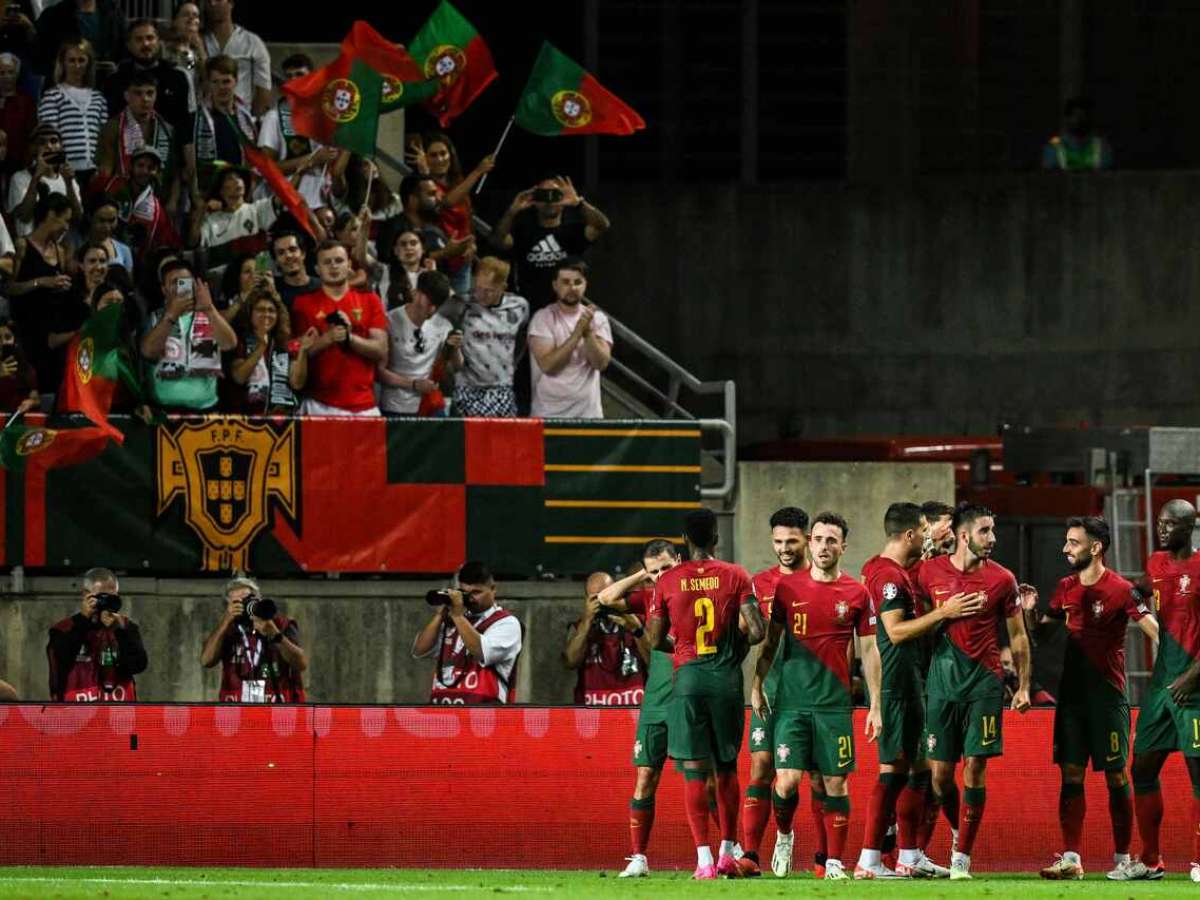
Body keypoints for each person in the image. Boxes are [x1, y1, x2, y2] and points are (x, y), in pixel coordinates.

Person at [1019, 516, 1157, 880]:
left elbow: (1152, 629)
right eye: (1066, 541)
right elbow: (1043, 636)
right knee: (1071, 774)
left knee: (1115, 775)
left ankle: (1123, 858)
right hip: (1073, 699)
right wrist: (1030, 613)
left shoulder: (1123, 589)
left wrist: (1182, 659)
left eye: (1073, 542)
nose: (1065, 549)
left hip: (1108, 698)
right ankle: (1071, 858)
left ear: (1095, 548)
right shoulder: (1064, 587)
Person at [854, 502, 980, 879]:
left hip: (911, 683)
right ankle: (869, 860)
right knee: (891, 772)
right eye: (924, 529)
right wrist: (944, 613)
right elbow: (893, 631)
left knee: (919, 770)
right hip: (896, 685)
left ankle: (910, 855)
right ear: (909, 534)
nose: (927, 537)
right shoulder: (887, 576)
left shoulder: (891, 571)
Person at [752, 512, 881, 881]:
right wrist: (757, 684)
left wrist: (876, 705)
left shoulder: (857, 594)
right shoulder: (788, 591)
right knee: (787, 781)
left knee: (835, 782)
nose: (824, 546)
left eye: (831, 540)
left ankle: (835, 862)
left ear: (843, 546)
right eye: (819, 539)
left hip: (833, 706)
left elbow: (870, 651)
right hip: (791, 704)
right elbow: (771, 642)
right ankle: (784, 834)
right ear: (810, 541)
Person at [913, 502, 1032, 880]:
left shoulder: (1002, 579)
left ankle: (962, 856)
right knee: (940, 777)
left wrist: (1024, 686)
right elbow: (914, 624)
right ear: (964, 535)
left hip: (984, 682)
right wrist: (943, 613)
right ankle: (955, 829)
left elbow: (1017, 635)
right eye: (985, 531)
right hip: (941, 683)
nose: (992, 538)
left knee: (976, 768)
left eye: (992, 530)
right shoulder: (928, 572)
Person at [646, 508, 765, 880]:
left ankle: (703, 862)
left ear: (684, 541)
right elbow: (758, 630)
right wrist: (733, 649)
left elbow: (652, 639)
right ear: (716, 539)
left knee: (694, 772)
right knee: (727, 770)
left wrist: (682, 646)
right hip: (726, 682)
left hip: (689, 682)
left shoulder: (668, 581)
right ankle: (728, 852)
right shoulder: (736, 575)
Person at [1121, 499, 1200, 881]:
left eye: (1171, 524)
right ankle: (1150, 860)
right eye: (1159, 523)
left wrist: (1193, 676)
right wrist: (1133, 603)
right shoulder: (1155, 564)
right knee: (1142, 767)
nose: (1163, 529)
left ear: (1191, 526)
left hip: (1194, 687)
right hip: (1161, 687)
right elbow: (1134, 591)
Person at [737, 507, 811, 876]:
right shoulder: (759, 584)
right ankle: (751, 853)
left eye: (791, 541)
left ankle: (791, 838)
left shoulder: (822, 581)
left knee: (802, 775)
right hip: (770, 688)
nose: (784, 548)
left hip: (813, 690)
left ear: (807, 539)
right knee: (761, 765)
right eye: (778, 541)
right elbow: (747, 633)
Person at [611, 540, 683, 878]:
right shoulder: (649, 595)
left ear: (679, 561)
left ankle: (727, 849)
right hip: (656, 702)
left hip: (691, 696)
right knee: (645, 776)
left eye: (665, 568)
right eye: (654, 571)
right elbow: (605, 599)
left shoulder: (699, 594)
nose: (660, 576)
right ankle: (638, 857)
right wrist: (643, 574)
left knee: (708, 779)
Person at [290, 240, 387, 416]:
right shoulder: (302, 304)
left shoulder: (371, 301)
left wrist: (349, 338)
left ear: (349, 265)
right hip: (318, 404)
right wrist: (327, 339)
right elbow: (296, 353)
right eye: (327, 262)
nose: (333, 266)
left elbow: (380, 350)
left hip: (364, 406)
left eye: (339, 261)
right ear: (317, 269)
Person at [491, 174, 610, 311]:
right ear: (535, 200)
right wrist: (512, 211)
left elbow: (602, 225)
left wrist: (578, 203)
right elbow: (496, 241)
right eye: (543, 195)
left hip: (566, 309)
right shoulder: (522, 231)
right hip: (529, 309)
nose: (549, 200)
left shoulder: (573, 231)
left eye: (555, 195)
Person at [412, 561, 524, 704]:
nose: (471, 598)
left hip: (484, 719)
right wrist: (440, 615)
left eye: (477, 592)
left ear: (493, 589)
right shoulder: (453, 620)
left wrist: (458, 616)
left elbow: (480, 651)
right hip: (442, 716)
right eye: (466, 593)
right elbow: (419, 650)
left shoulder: (506, 623)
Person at [140, 257, 236, 411]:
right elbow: (148, 353)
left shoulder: (209, 315)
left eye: (185, 282)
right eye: (174, 282)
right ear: (164, 290)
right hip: (164, 411)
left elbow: (229, 344)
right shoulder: (155, 318)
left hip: (205, 410)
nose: (181, 287)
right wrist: (171, 316)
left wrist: (210, 309)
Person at [257, 53, 342, 217]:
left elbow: (336, 167)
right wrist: (312, 160)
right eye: (289, 76)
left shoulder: (325, 116)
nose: (294, 80)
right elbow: (267, 168)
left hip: (321, 204)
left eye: (299, 75)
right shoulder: (274, 117)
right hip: (288, 204)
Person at [9, 192, 75, 398]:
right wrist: (40, 283)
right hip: (26, 333)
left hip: (51, 335)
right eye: (65, 220)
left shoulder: (60, 251)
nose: (67, 227)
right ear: (50, 215)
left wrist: (60, 287)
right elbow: (8, 288)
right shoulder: (21, 246)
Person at [46, 567, 147, 702]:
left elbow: (138, 665)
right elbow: (60, 662)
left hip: (118, 716)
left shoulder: (125, 627)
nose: (106, 604)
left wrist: (119, 631)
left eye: (112, 598)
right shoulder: (63, 630)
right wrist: (83, 620)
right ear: (86, 595)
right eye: (102, 598)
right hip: (75, 717)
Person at [407, 131, 489, 296]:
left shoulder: (458, 182)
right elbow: (446, 202)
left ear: (451, 155)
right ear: (425, 158)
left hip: (461, 263)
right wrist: (478, 172)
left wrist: (471, 244)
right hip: (435, 262)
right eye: (433, 155)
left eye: (443, 153)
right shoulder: (421, 185)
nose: (440, 159)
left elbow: (467, 219)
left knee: (458, 315)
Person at [199, 577, 307, 702]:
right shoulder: (228, 630)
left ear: (258, 600)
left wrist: (275, 634)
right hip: (236, 709)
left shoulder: (280, 624)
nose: (245, 605)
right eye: (238, 602)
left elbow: (301, 664)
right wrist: (225, 621)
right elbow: (206, 661)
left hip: (276, 706)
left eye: (247, 599)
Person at [527, 258, 611, 418]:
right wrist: (577, 333)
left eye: (578, 282)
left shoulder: (598, 318)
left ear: (585, 284)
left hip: (588, 415)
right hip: (548, 415)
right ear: (555, 285)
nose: (572, 287)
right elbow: (549, 366)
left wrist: (587, 334)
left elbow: (601, 363)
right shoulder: (543, 318)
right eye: (565, 282)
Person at [453, 256, 529, 418]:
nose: (481, 294)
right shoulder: (462, 304)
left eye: (488, 290)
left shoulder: (519, 306)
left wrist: (513, 363)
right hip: (468, 388)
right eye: (478, 288)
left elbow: (523, 336)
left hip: (502, 388)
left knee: (503, 441)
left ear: (503, 287)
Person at [377, 269, 460, 416]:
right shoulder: (389, 321)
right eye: (429, 302)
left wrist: (456, 348)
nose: (432, 310)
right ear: (416, 293)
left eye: (437, 305)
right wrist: (414, 384)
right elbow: (379, 372)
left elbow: (458, 366)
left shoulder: (443, 325)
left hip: (429, 405)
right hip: (395, 406)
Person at [563, 570, 651, 706]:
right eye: (596, 598)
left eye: (607, 594)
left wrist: (636, 629)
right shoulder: (580, 627)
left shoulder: (637, 621)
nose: (603, 602)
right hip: (593, 712)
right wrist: (586, 622)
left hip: (634, 709)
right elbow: (570, 662)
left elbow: (654, 662)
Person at [96, 70, 180, 211]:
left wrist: (173, 202)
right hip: (122, 202)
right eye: (138, 93)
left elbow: (175, 172)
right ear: (127, 96)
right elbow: (105, 172)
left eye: (150, 93)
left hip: (159, 204)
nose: (145, 99)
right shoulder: (112, 128)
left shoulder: (167, 130)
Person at [37, 38, 107, 188]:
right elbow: (49, 136)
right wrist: (60, 167)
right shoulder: (53, 96)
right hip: (66, 171)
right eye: (71, 60)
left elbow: (104, 136)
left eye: (81, 60)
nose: (77, 66)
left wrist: (101, 166)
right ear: (63, 63)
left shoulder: (98, 98)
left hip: (94, 172)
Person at [228, 284, 309, 414]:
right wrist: (261, 348)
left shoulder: (284, 344)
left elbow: (297, 383)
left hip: (280, 419)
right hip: (247, 417)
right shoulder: (239, 341)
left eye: (271, 311)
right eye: (260, 310)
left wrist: (303, 351)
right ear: (250, 313)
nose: (267, 314)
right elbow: (239, 377)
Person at [102, 18, 191, 134]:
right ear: (129, 45)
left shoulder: (177, 78)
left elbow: (185, 123)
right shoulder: (115, 82)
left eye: (150, 38)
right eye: (139, 39)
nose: (145, 44)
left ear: (159, 41)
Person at [183, 55, 254, 197]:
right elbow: (190, 169)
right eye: (215, 82)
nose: (221, 87)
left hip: (240, 197)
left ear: (236, 81)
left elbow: (252, 164)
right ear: (208, 83)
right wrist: (197, 201)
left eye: (226, 81)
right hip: (207, 198)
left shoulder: (247, 120)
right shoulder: (194, 120)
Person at [97, 145, 179, 262]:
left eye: (151, 167)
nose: (145, 171)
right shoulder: (111, 186)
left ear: (157, 172)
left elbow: (169, 243)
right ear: (131, 166)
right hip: (100, 255)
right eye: (140, 165)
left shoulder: (156, 211)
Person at [7, 124, 83, 237]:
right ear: (32, 148)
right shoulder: (20, 178)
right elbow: (24, 217)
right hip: (30, 245)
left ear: (61, 146)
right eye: (42, 142)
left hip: (59, 249)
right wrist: (36, 177)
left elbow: (77, 218)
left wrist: (69, 184)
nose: (49, 146)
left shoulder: (68, 179)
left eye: (54, 141)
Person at [201, 0, 269, 116]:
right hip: (207, 115)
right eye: (208, 1)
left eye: (218, 0)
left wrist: (253, 120)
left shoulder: (252, 42)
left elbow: (263, 86)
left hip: (242, 115)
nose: (212, 4)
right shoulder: (201, 41)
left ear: (231, 3)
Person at [33, 0, 126, 79]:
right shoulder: (53, 16)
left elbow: (126, 51)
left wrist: (117, 69)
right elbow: (38, 60)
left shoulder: (114, 14)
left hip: (106, 88)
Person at [1043, 97, 1113, 172]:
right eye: (1077, 116)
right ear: (1067, 119)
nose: (1081, 121)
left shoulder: (1101, 145)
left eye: (1085, 116)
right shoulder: (1054, 146)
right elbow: (1048, 177)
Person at [70, 196, 132, 273]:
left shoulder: (124, 251)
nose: (107, 227)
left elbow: (127, 283)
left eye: (112, 220)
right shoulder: (74, 242)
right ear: (90, 217)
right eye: (102, 220)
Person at [163, 1, 205, 112]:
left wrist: (201, 49)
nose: (191, 19)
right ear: (174, 21)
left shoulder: (199, 53)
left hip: (195, 112)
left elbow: (208, 81)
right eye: (186, 14)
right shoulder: (163, 49)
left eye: (195, 15)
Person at [0, 52, 36, 177]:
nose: (6, 77)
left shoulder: (27, 102)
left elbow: (32, 135)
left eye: (10, 72)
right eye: (2, 73)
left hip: (19, 165)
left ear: (17, 74)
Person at [379, 227, 431, 310]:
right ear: (395, 250)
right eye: (403, 244)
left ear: (423, 249)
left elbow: (452, 302)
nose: (408, 247)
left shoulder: (430, 273)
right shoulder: (385, 271)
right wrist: (365, 228)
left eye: (413, 243)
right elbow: (361, 257)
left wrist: (433, 273)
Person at [271, 229, 319, 309]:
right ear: (276, 261)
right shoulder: (273, 291)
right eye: (281, 252)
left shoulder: (323, 287)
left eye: (292, 249)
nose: (288, 256)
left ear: (303, 253)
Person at [0, 316, 39, 412]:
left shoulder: (25, 367)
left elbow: (36, 398)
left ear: (15, 341)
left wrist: (31, 402)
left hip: (17, 420)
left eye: (8, 337)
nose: (3, 342)